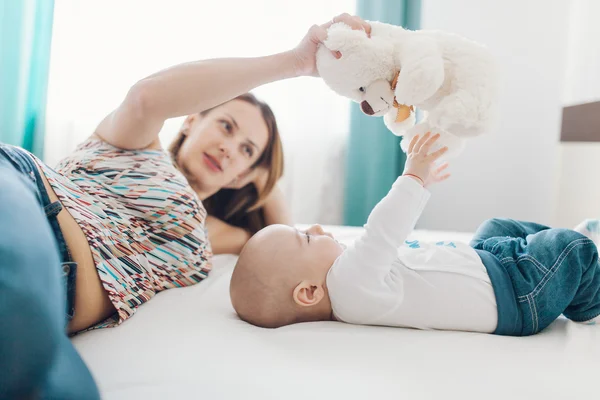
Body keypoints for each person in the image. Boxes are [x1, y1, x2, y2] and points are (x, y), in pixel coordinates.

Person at [0, 12, 371, 400]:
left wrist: (263, 175)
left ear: (247, 176)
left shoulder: (220, 237)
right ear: (192, 120)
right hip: (26, 203)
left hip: (54, 305)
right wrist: (294, 63)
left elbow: (287, 251)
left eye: (247, 150)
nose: (230, 147)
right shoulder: (133, 146)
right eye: (226, 126)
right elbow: (146, 97)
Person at [230, 132, 600, 336]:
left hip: (489, 266)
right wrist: (415, 175)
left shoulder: (358, 285)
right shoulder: (349, 287)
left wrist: (423, 186)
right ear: (309, 293)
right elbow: (383, 231)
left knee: (497, 227)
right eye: (305, 239)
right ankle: (587, 301)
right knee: (571, 248)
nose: (314, 228)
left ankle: (572, 275)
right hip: (518, 297)